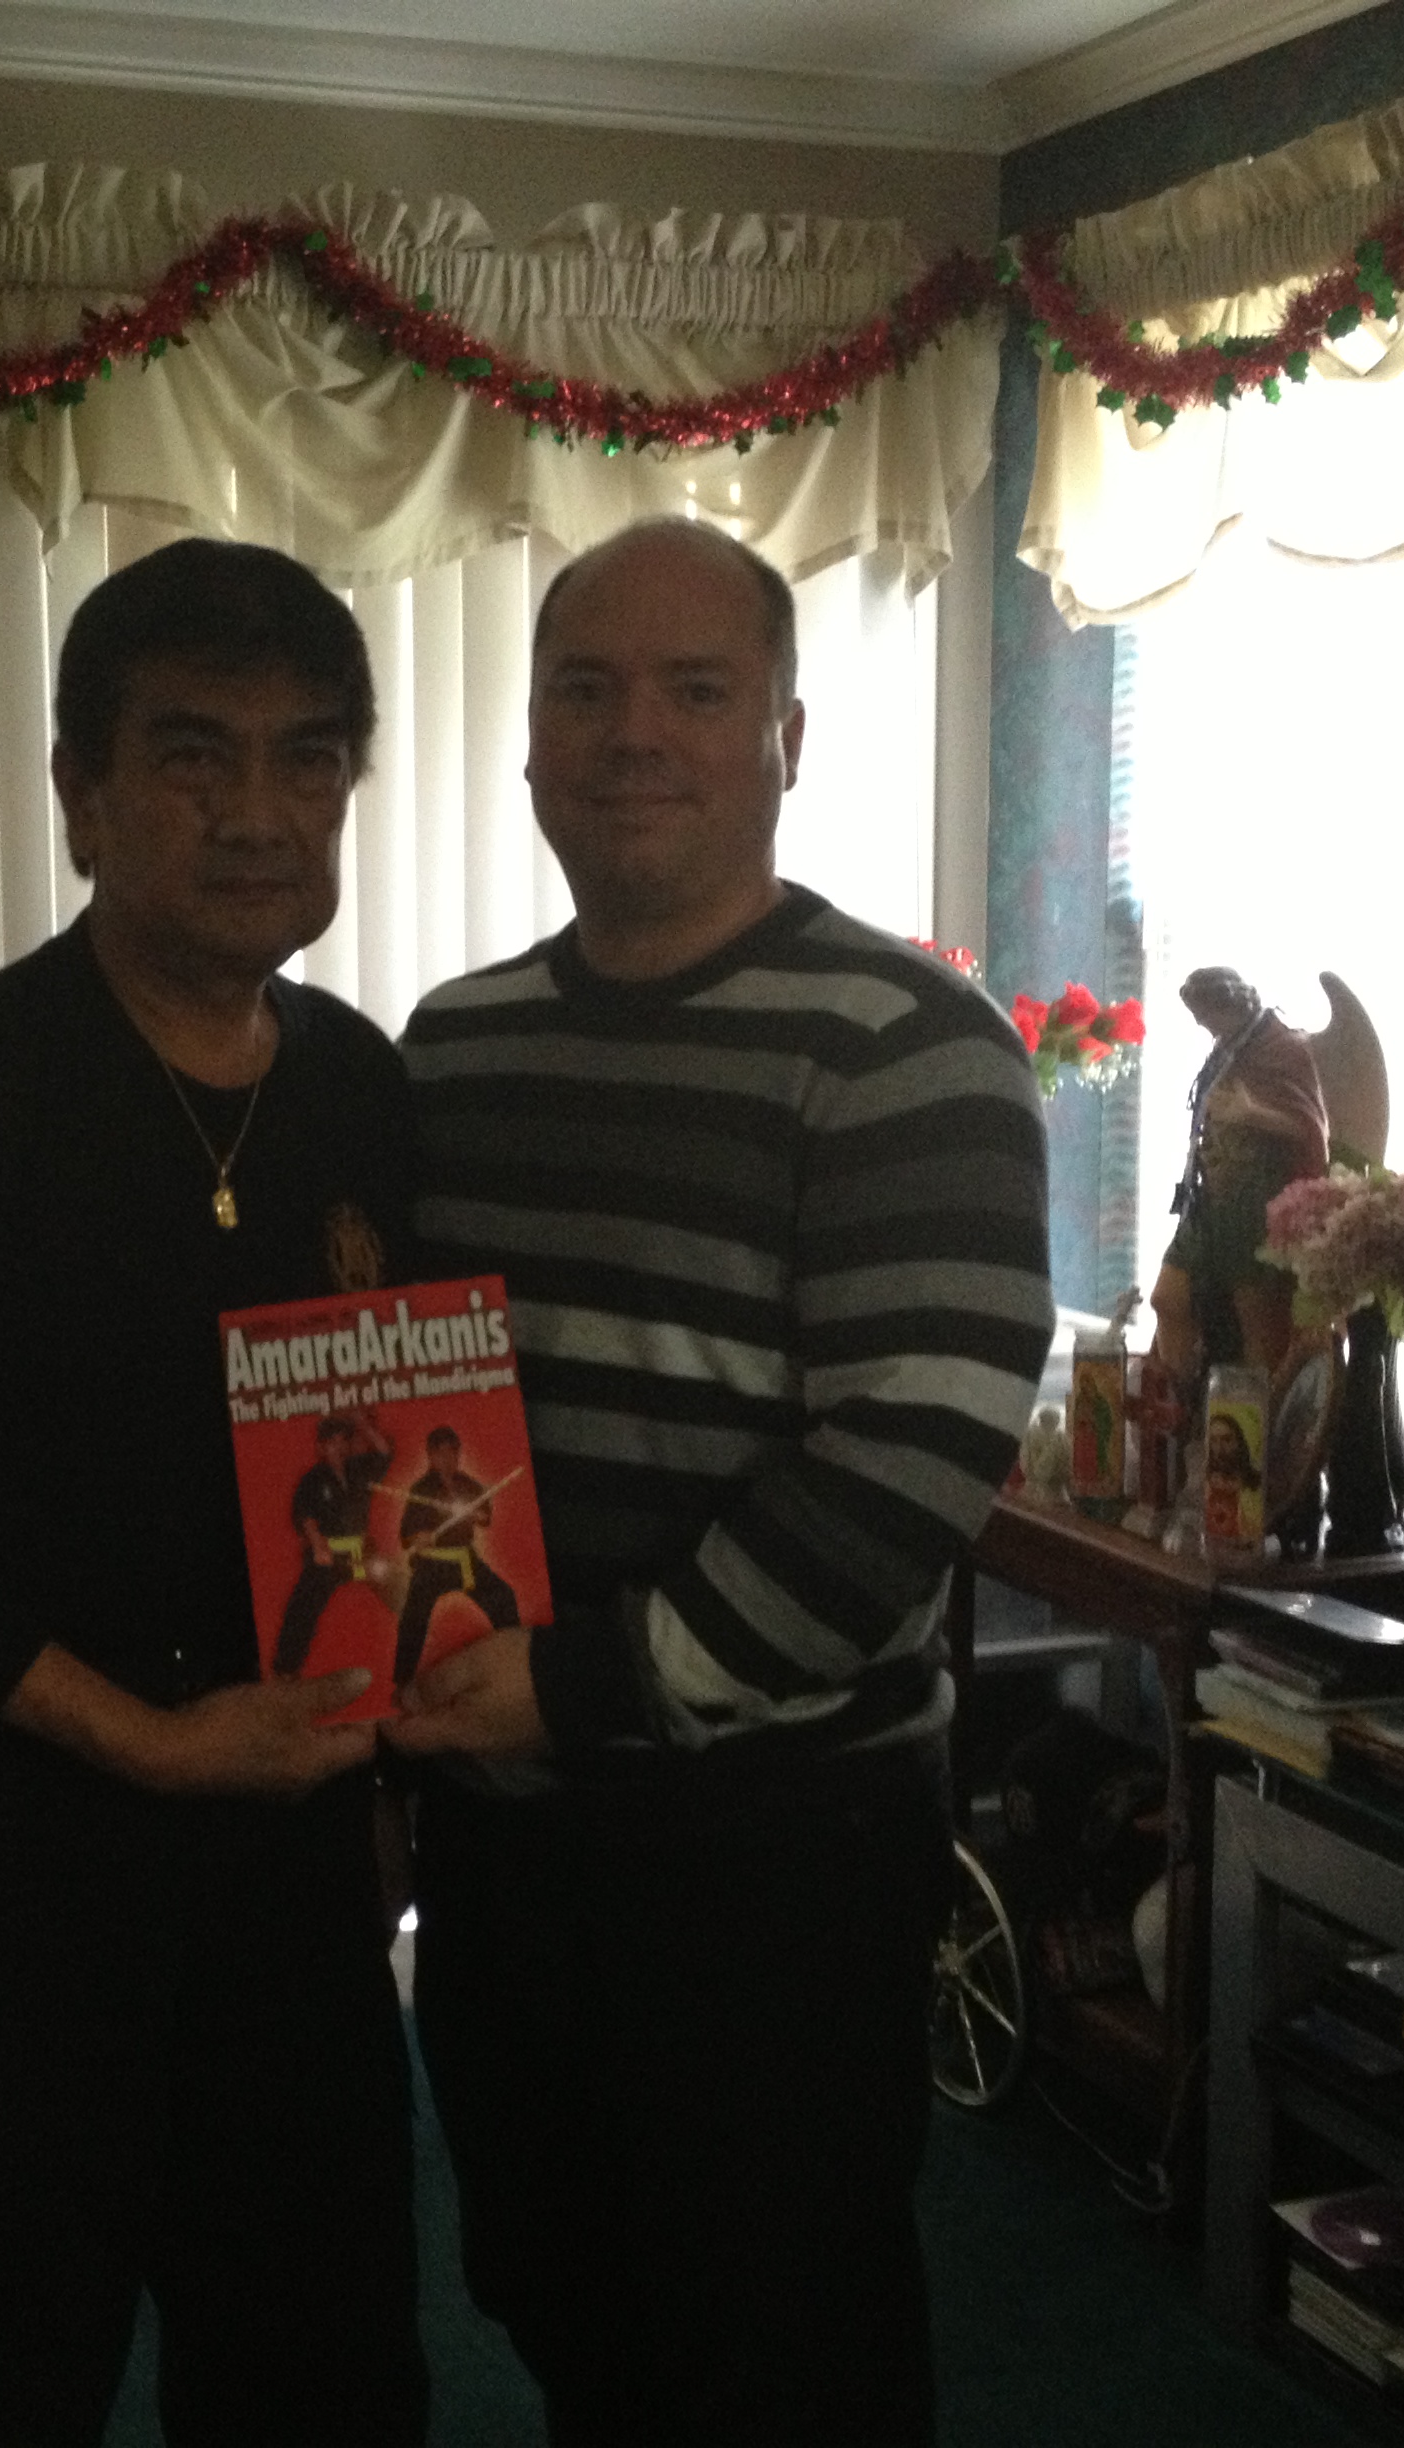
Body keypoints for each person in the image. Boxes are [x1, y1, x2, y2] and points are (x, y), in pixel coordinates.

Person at [0, 539, 427, 2448]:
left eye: (307, 758)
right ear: (80, 789)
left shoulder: (367, 1097)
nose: (255, 812)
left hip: (288, 1902)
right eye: (193, 755)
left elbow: (398, 1480)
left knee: (322, 2395)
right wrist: (145, 1738)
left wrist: (390, 1757)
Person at [388, 518, 1056, 2448]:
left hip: (771, 1847)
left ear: (784, 736)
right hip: (504, 1827)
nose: (633, 734)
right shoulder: (451, 1047)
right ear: (528, 741)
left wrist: (573, 1684)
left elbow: (900, 1474)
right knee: (554, 2288)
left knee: (781, 2340)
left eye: (695, 690)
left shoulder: (909, 1047)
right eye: (585, 690)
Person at [1149, 964, 1329, 1388]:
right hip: (1209, 1198)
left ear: (1229, 1006)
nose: (1203, 1027)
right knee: (1167, 1299)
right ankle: (1178, 1407)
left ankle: (1255, 1417)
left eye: (1206, 1017)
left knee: (1256, 1327)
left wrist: (1253, 1114)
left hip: (1255, 1206)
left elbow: (1312, 1129)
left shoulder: (1284, 1047)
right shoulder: (1230, 1046)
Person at [393, 1423, 523, 1685]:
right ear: (430, 1456)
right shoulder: (421, 1489)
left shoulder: (468, 1484)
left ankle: (514, 1661)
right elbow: (405, 1536)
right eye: (440, 1453)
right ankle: (402, 1682)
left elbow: (485, 1517)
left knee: (504, 1596)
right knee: (413, 1619)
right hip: (432, 1564)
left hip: (465, 1560)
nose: (447, 1458)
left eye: (452, 1452)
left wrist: (477, 1514)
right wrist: (419, 1537)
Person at [273, 1411, 392, 1675]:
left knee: (401, 1585)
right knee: (302, 1607)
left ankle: (418, 1647)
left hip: (362, 1551)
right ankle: (286, 1671)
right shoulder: (312, 1479)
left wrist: (364, 1427)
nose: (338, 1448)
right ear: (320, 1447)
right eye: (331, 1443)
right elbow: (304, 1515)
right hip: (330, 1555)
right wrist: (317, 1544)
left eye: (342, 1442)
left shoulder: (359, 1469)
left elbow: (384, 1453)